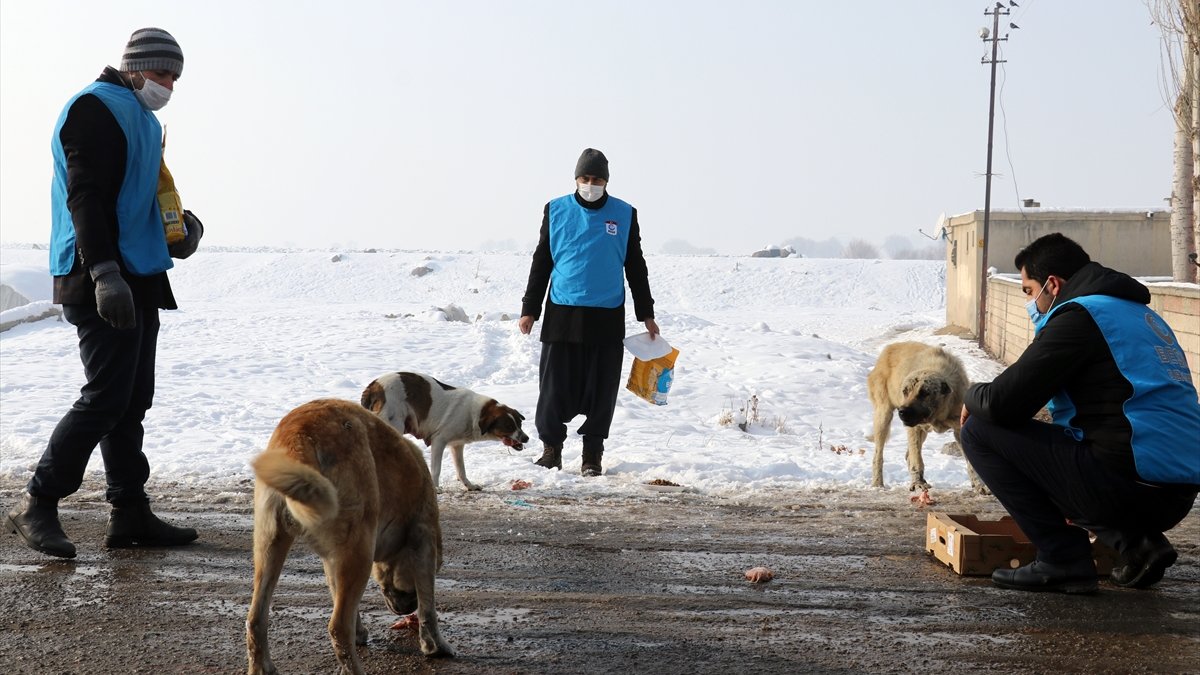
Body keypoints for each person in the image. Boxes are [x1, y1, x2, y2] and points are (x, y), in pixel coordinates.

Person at [6, 28, 205, 559]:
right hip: (99, 272)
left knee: (133, 398)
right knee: (106, 398)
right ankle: (37, 503)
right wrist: (103, 273)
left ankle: (130, 512)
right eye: (162, 73)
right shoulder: (92, 109)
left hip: (137, 270)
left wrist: (180, 229)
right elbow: (86, 196)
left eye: (175, 78)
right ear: (136, 67)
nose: (168, 85)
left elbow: (144, 193)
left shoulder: (142, 117)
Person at [960, 233, 1199, 594]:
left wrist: (969, 393)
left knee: (980, 429)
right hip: (1176, 493)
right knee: (1075, 446)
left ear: (1052, 285)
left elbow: (1003, 403)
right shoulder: (1140, 316)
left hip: (1128, 487)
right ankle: (1138, 545)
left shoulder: (1081, 317)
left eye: (1028, 291)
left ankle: (1062, 559)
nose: (1030, 303)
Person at [519, 148, 659, 476]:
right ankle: (552, 449)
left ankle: (592, 455)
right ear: (576, 179)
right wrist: (530, 309)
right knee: (553, 388)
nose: (590, 184)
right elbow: (542, 262)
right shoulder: (556, 210)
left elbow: (636, 266)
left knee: (603, 388)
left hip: (606, 314)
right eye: (585, 178)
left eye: (597, 179)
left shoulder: (624, 214)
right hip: (563, 312)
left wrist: (646, 312)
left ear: (606, 181)